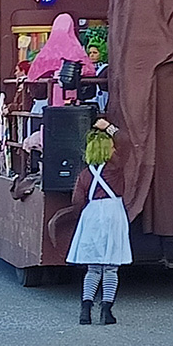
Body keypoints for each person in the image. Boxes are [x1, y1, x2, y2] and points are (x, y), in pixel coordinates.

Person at [66, 119, 131, 325]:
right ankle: (107, 310)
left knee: (93, 268)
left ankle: (85, 310)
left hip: (92, 213)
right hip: (113, 212)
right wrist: (109, 128)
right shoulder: (116, 168)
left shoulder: (84, 175)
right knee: (111, 267)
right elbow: (127, 142)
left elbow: (77, 202)